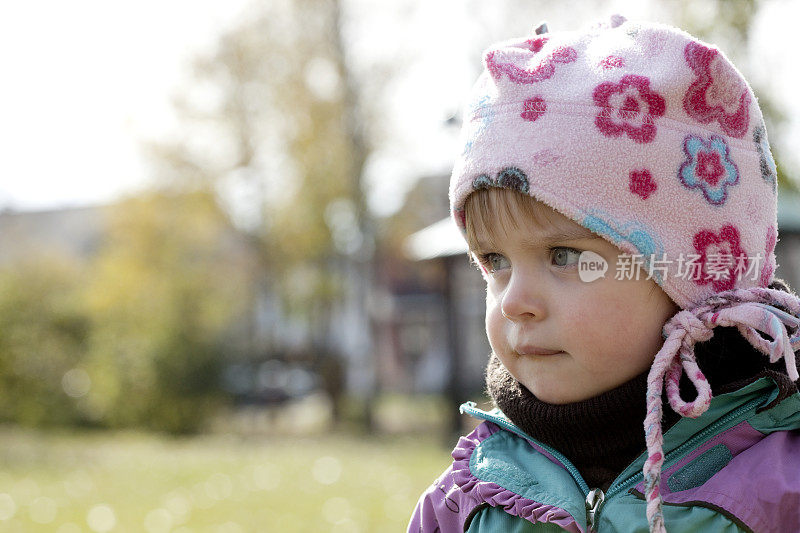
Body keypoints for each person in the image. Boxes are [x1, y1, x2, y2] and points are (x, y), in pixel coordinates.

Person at [408, 15, 800, 533]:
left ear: (691, 279)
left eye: (563, 255)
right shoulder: (469, 500)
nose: (512, 302)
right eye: (495, 261)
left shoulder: (780, 486)